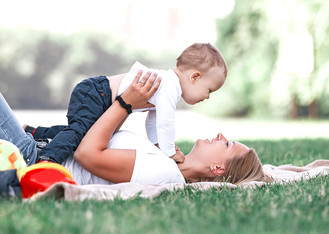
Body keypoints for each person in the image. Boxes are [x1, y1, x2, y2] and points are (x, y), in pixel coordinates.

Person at [0, 71, 268, 191]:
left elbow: (86, 153)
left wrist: (126, 103)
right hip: (34, 147)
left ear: (218, 169)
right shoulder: (167, 159)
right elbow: (95, 134)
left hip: (31, 161)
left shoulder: (165, 173)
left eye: (228, 144)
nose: (221, 136)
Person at [25, 43, 227, 165]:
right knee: (79, 132)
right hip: (96, 93)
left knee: (83, 132)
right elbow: (165, 123)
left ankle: (35, 133)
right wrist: (169, 152)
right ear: (195, 77)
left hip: (99, 96)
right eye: (209, 90)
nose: (208, 97)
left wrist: (157, 146)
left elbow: (152, 121)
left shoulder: (168, 86)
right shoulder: (170, 87)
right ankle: (46, 161)